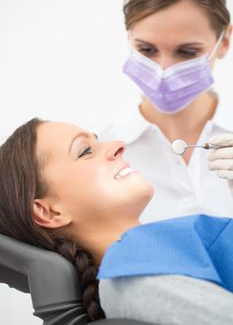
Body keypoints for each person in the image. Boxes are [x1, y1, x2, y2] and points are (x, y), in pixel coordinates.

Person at [1, 118, 233, 325]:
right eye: (84, 151)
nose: (119, 144)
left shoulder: (164, 247)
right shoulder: (131, 281)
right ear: (49, 212)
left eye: (98, 140)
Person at [100, 0, 233, 222]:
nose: (164, 69)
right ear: (129, 39)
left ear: (224, 42)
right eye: (147, 50)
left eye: (186, 52)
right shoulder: (106, 153)